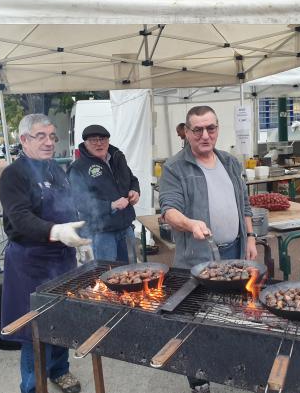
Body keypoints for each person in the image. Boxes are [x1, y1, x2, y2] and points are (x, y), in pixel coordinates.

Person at [159, 105, 257, 393]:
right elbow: (169, 211)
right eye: (197, 129)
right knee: (196, 320)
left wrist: (250, 236)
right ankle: (199, 380)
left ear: (217, 129)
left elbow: (245, 204)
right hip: (197, 259)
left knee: (233, 313)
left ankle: (232, 367)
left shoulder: (230, 162)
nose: (205, 135)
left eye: (210, 128)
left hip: (235, 254)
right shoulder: (175, 167)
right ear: (187, 132)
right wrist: (190, 224)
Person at [0, 114, 91, 393]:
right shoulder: (13, 175)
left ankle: (60, 370)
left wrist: (80, 237)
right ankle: (32, 386)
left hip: (61, 259)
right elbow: (20, 219)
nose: (49, 142)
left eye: (52, 136)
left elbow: (68, 206)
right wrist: (56, 232)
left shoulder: (55, 169)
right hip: (30, 262)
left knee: (60, 319)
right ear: (24, 139)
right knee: (35, 329)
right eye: (41, 136)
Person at [67, 124, 140, 262]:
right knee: (108, 273)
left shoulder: (118, 158)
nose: (99, 143)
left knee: (132, 270)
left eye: (103, 139)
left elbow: (132, 180)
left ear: (108, 141)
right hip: (102, 232)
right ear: (85, 143)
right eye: (94, 140)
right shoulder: (78, 168)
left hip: (126, 228)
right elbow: (78, 202)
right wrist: (111, 205)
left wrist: (135, 191)